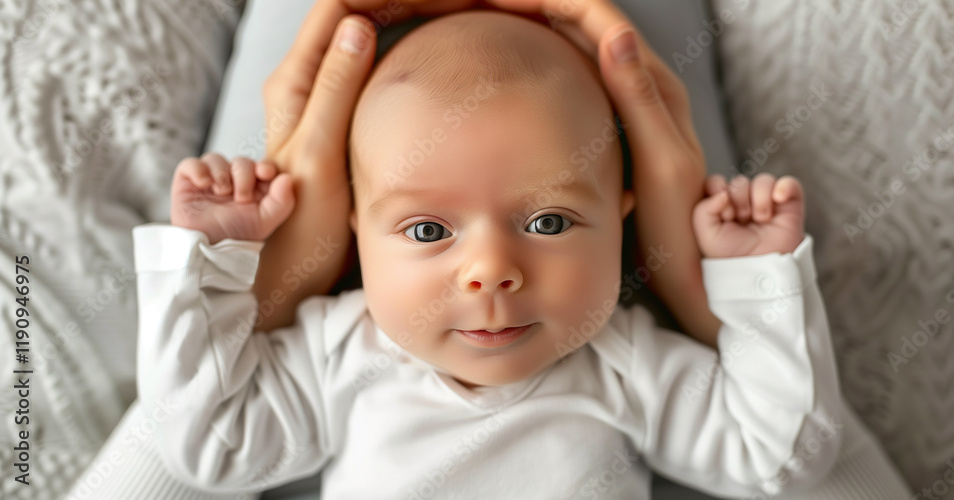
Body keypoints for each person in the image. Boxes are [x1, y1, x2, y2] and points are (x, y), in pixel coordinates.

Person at [131, 11, 840, 499]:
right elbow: (207, 444)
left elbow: (780, 457)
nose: (491, 270)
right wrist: (216, 265)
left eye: (549, 221)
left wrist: (757, 284)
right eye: (427, 232)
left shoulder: (625, 366)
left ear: (623, 220)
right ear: (354, 236)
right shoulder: (339, 354)